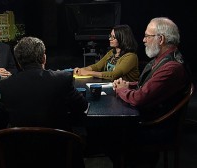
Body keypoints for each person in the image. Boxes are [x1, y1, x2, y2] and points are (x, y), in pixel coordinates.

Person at [112, 17, 191, 167]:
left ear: (160, 39)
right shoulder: (162, 59)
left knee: (110, 134)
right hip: (152, 119)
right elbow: (151, 84)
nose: (143, 40)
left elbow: (139, 99)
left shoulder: (172, 68)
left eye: (147, 36)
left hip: (156, 127)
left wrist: (122, 90)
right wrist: (129, 84)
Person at [0, 36, 89, 131]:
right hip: (58, 143)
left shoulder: (5, 85)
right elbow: (82, 106)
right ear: (44, 58)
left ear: (18, 62)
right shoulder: (62, 79)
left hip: (20, 143)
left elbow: (4, 113)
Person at [74, 24, 140, 82]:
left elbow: (114, 75)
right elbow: (97, 66)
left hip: (128, 90)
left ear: (122, 39)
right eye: (110, 36)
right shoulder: (112, 53)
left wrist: (88, 73)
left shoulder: (131, 57)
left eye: (113, 37)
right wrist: (82, 70)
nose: (110, 39)